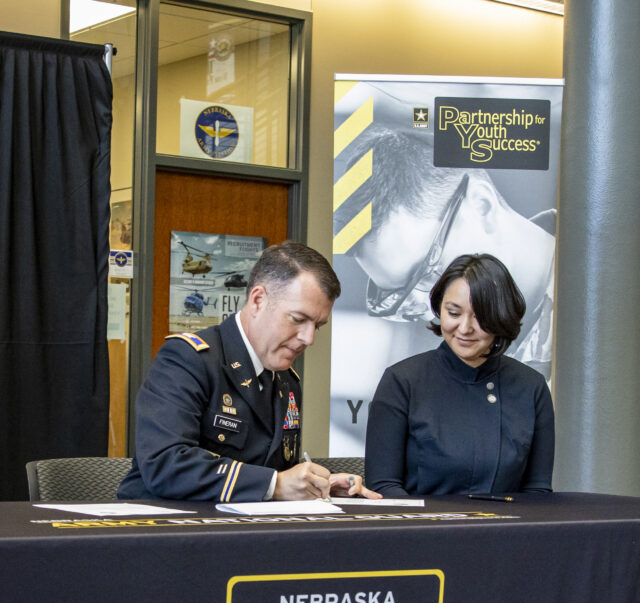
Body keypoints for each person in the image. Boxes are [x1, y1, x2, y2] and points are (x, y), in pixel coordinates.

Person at [330, 129, 556, 453]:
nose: (435, 312)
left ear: (482, 205)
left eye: (429, 272)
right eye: (402, 300)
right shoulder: (429, 364)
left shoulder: (610, 307)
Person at [118, 241, 380, 503]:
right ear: (258, 300)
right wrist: (276, 485)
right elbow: (165, 464)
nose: (308, 338)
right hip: (166, 531)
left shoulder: (286, 380)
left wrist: (316, 484)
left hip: (246, 532)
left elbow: (266, 465)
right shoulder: (188, 359)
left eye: (317, 326)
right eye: (298, 319)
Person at [364, 253, 555, 498]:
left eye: (480, 317)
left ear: (502, 316)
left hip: (507, 532)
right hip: (424, 530)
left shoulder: (532, 387)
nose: (465, 328)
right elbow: (383, 487)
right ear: (439, 309)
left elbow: (537, 492)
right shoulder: (402, 381)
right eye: (453, 313)